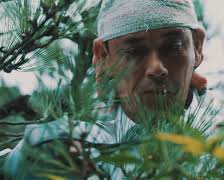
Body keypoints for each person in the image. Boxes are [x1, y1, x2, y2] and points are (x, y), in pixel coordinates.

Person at [3, 0, 210, 178]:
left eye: (172, 47)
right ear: (102, 56)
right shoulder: (76, 139)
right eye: (134, 52)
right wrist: (33, 153)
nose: (157, 68)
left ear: (197, 47)